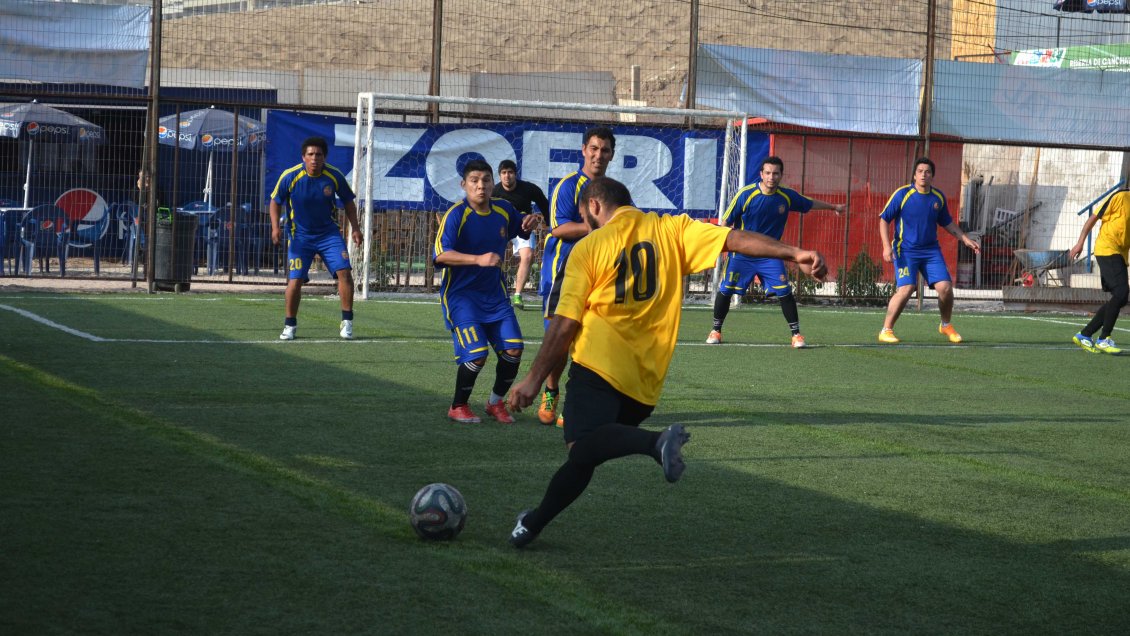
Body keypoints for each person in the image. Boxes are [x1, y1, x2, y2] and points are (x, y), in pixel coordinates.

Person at [506, 176, 827, 548]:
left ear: (594, 206)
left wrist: (532, 379)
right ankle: (531, 524)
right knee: (587, 454)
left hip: (598, 365)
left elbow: (564, 324)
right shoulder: (670, 229)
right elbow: (732, 238)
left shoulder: (590, 246)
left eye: (584, 214)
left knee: (583, 445)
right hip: (646, 383)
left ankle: (656, 444)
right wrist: (794, 253)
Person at [434, 159, 541, 423]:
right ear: (464, 184)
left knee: (514, 350)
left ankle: (495, 403)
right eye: (474, 181)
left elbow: (520, 228)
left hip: (494, 295)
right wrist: (478, 259)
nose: (480, 186)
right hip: (461, 297)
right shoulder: (456, 215)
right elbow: (440, 256)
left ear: (493, 184)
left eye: (485, 180)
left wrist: (530, 222)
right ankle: (458, 406)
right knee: (477, 355)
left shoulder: (504, 208)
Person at [705, 156, 844, 348]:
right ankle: (716, 330)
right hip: (741, 255)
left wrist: (834, 207)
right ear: (761, 174)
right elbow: (725, 224)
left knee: (785, 292)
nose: (771, 177)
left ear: (781, 175)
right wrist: (716, 247)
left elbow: (808, 203)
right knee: (726, 290)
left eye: (776, 173)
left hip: (770, 255)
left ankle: (796, 335)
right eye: (768, 173)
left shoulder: (786, 196)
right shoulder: (745, 194)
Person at [536, 126, 616, 426]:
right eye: (593, 148)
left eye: (604, 150)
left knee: (588, 345)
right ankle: (551, 389)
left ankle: (573, 404)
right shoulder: (568, 186)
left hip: (599, 278)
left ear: (611, 154)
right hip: (562, 276)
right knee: (558, 343)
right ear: (584, 150)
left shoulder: (613, 192)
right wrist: (603, 226)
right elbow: (558, 229)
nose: (598, 155)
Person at [877, 157, 981, 344]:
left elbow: (947, 223)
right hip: (905, 250)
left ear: (932, 176)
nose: (923, 175)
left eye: (927, 172)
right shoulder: (902, 194)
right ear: (914, 175)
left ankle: (945, 325)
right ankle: (886, 330)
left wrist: (965, 239)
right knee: (907, 288)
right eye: (920, 171)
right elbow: (884, 219)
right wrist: (886, 246)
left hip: (931, 251)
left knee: (946, 289)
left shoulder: (938, 198)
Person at [269, 136, 363, 340]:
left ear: (324, 157)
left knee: (344, 273)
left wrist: (355, 228)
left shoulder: (334, 176)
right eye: (310, 154)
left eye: (318, 155)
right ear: (303, 157)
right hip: (300, 237)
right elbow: (275, 201)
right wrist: (275, 228)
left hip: (328, 234)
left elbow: (348, 202)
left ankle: (347, 323)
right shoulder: (290, 176)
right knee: (295, 281)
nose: (314, 158)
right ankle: (290, 326)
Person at [1069, 188, 1129, 354]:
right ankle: (1103, 339)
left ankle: (1085, 334)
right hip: (1107, 249)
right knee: (1121, 293)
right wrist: (1080, 243)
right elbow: (1093, 218)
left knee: (1121, 298)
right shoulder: (1120, 196)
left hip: (1120, 254)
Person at [492, 159, 550, 309]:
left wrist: (550, 224)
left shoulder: (528, 189)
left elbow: (544, 204)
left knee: (528, 256)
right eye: (503, 173)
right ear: (499, 176)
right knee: (489, 256)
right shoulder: (494, 192)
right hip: (500, 228)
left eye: (510, 172)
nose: (507, 176)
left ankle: (517, 295)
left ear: (515, 174)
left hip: (523, 227)